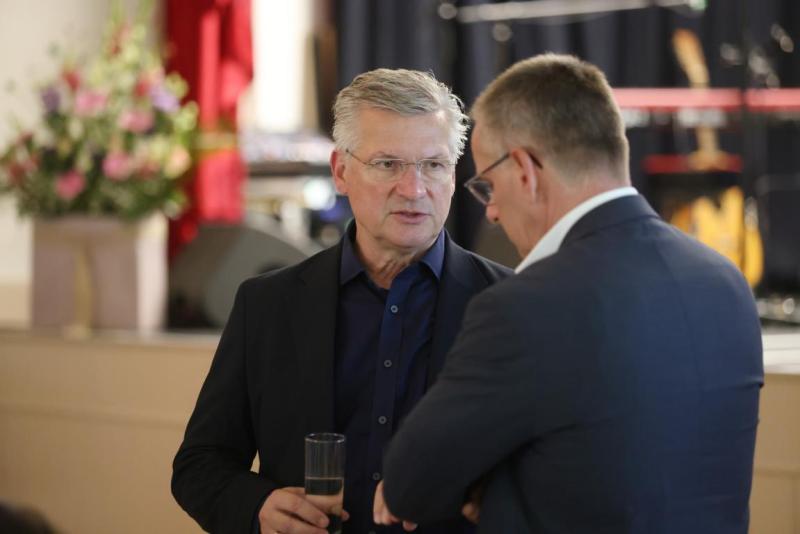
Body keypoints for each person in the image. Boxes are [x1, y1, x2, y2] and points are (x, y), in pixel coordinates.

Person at [376, 54, 764, 533]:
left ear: (525, 170)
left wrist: (490, 488)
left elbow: (407, 487)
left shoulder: (525, 306)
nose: (491, 212)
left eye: (488, 187)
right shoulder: (726, 282)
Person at [171, 67, 511, 534]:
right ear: (340, 171)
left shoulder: (509, 305)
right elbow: (200, 465)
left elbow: (551, 474)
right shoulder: (267, 305)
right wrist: (257, 507)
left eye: (433, 165)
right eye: (388, 164)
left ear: (454, 175)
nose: (414, 189)